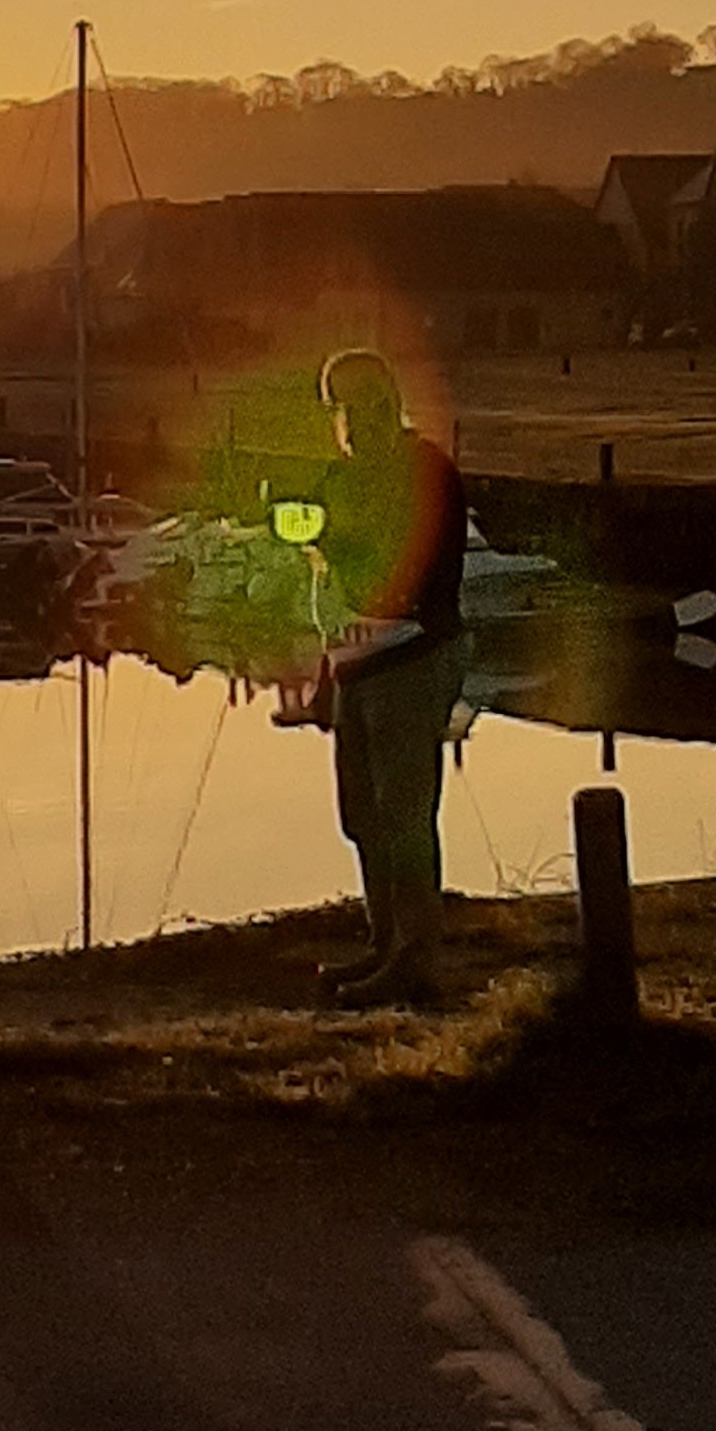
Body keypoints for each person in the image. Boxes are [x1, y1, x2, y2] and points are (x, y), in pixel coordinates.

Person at [308, 348, 468, 1010]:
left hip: (411, 658)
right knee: (362, 814)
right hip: (356, 666)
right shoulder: (339, 478)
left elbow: (416, 570)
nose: (352, 419)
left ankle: (415, 956)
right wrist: (327, 675)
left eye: (361, 404)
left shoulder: (425, 472)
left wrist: (345, 550)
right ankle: (386, 941)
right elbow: (329, 584)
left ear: (386, 402)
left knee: (404, 814)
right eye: (340, 407)